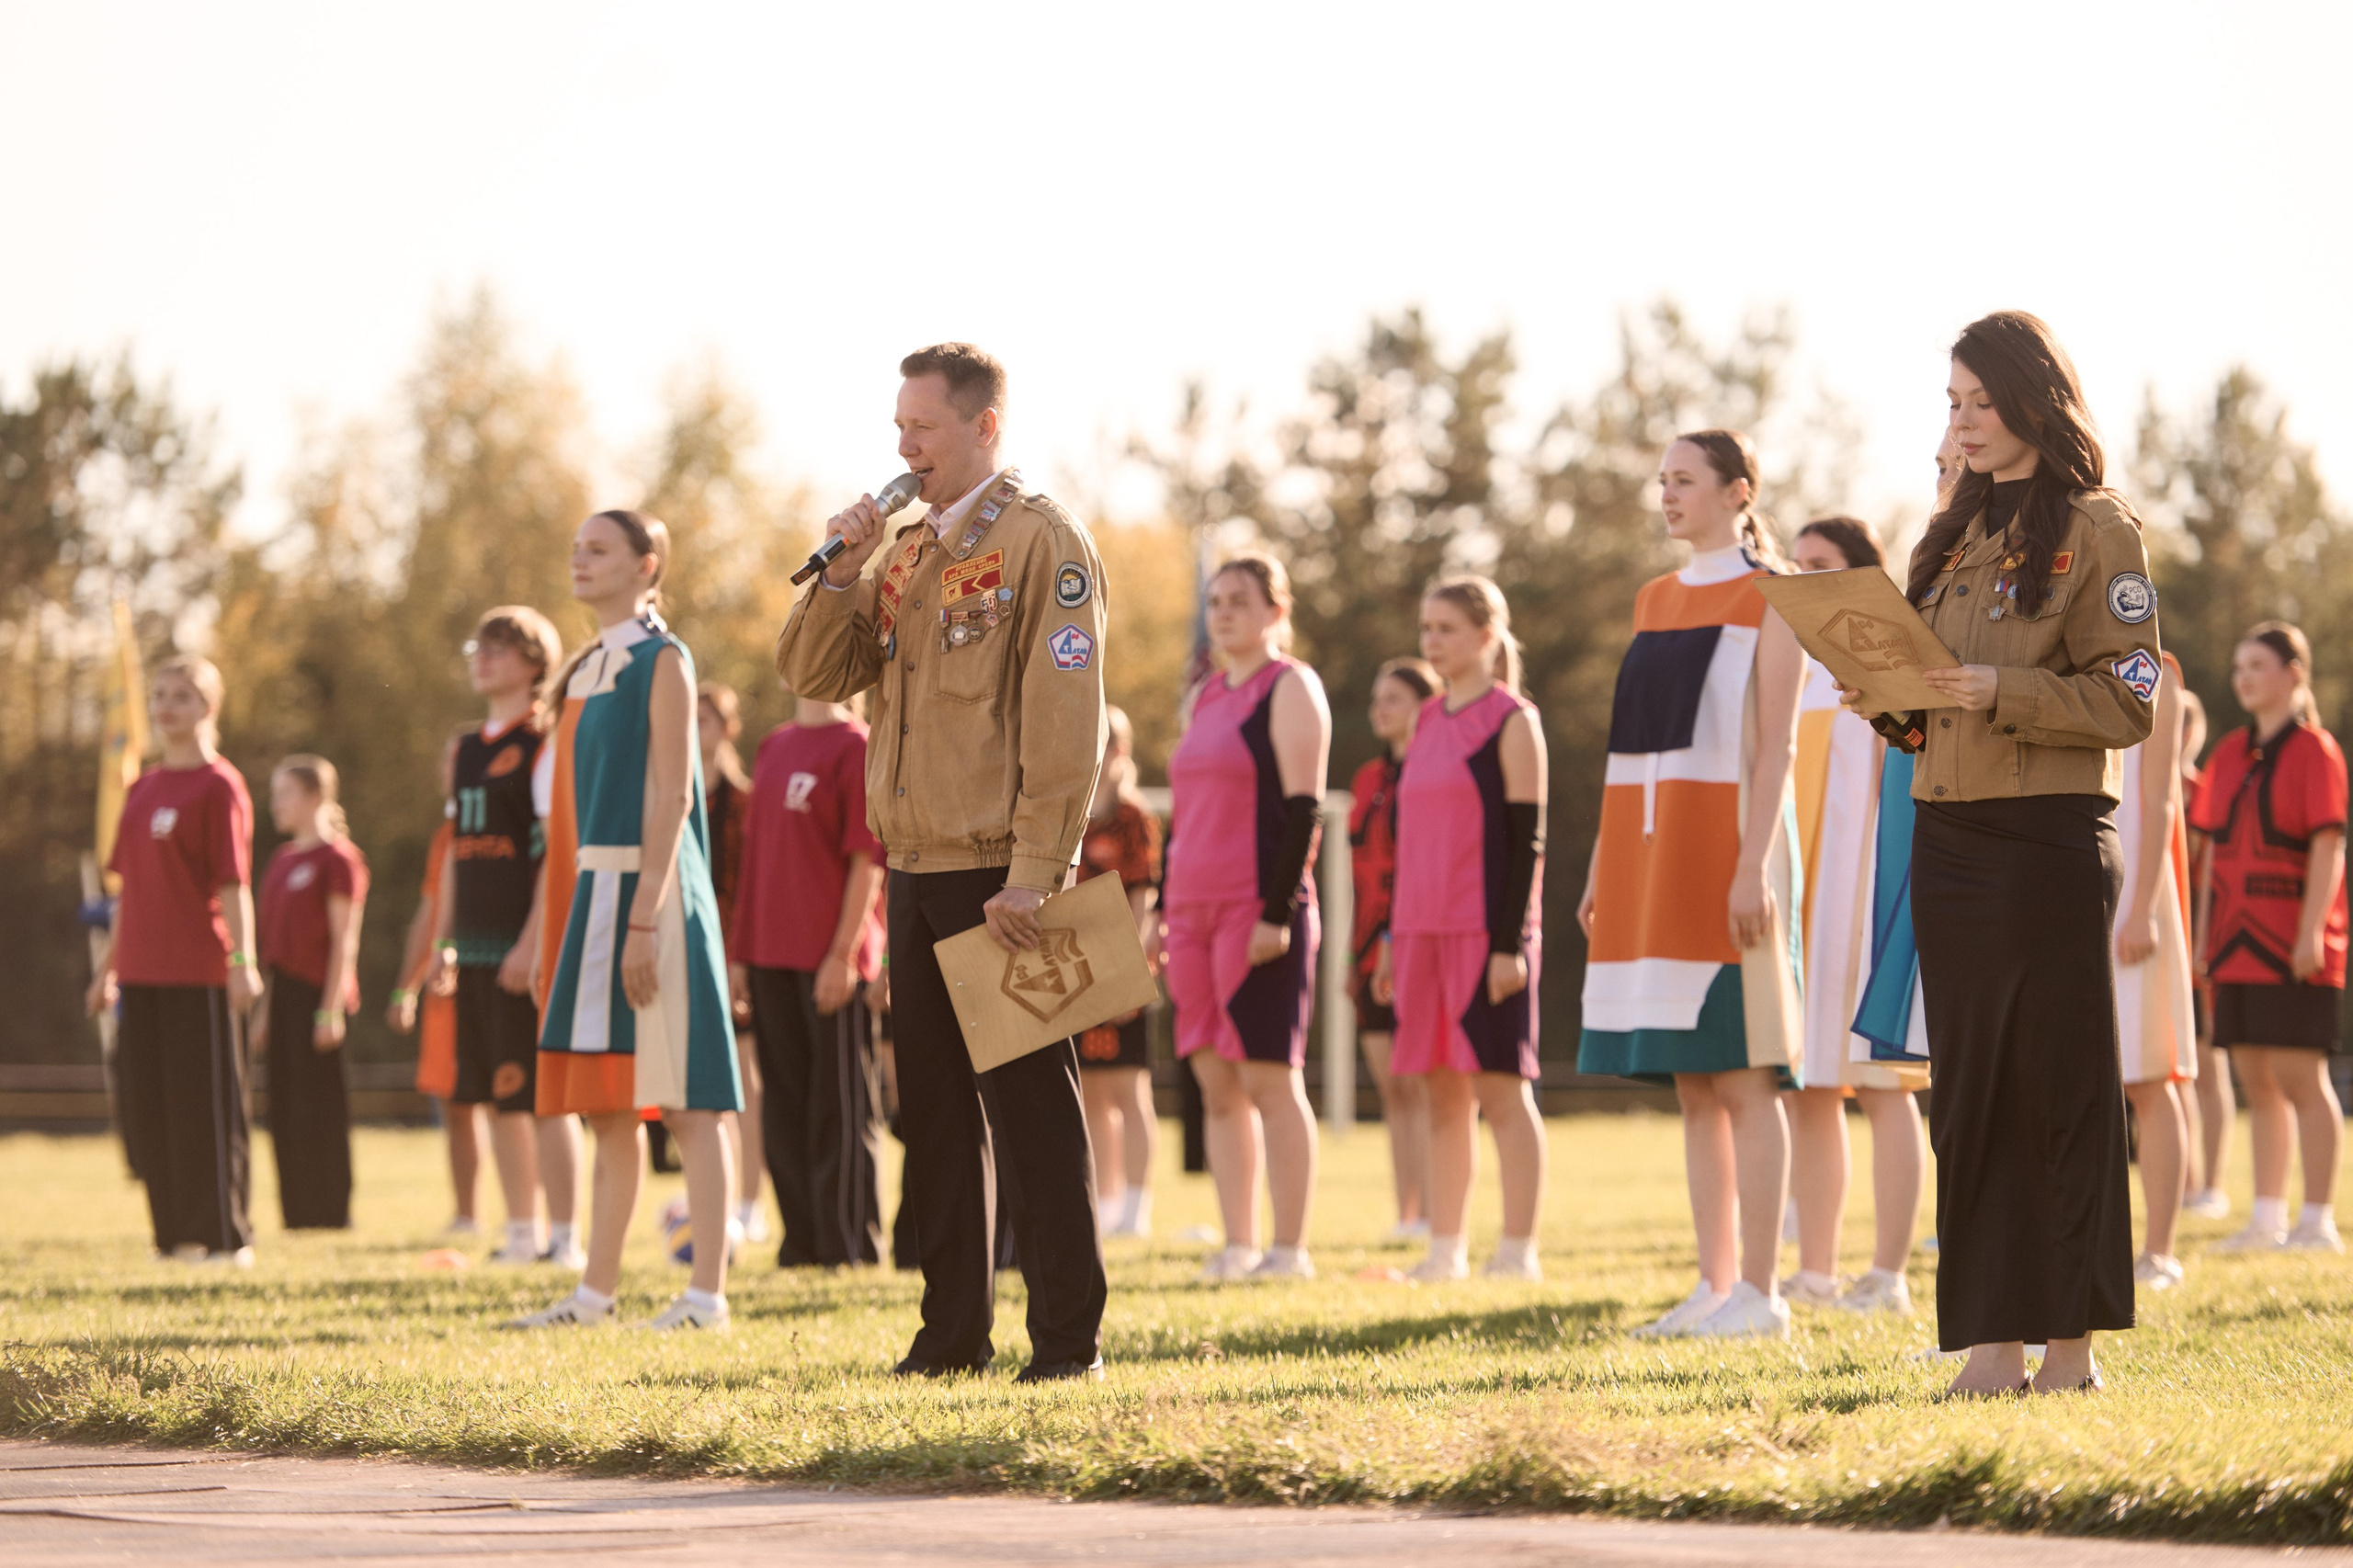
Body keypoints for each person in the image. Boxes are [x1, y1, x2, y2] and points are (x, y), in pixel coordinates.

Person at [774, 342, 1109, 1381]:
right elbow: (815, 669)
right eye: (899, 426)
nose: (904, 443)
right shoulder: (908, 552)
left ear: (983, 426)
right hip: (915, 866)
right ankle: (952, 1334)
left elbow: (1068, 726)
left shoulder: (1041, 543)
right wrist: (841, 568)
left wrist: (1037, 870)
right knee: (932, 1118)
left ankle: (1067, 1344)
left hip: (1001, 873)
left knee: (1031, 1116)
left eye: (923, 425)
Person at [1865, 310, 2158, 1395]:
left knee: (2060, 1093)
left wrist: (2002, 690)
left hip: (2046, 842)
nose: (1964, 421)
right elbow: (1923, 701)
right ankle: (1990, 1346)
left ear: (2035, 398)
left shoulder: (2101, 529)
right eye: (1952, 402)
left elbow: (2130, 695)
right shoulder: (1947, 533)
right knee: (1971, 1094)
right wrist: (1886, 698)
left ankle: (2069, 1353)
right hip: (1947, 839)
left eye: (1981, 401)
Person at [1577, 429, 1805, 1340]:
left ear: (1737, 491)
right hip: (1649, 851)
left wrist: (1752, 865)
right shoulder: (1653, 598)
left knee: (1746, 1075)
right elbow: (1628, 745)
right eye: (1662, 479)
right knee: (1693, 1082)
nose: (1666, 494)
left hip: (1731, 849)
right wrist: (1603, 863)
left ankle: (1762, 1291)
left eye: (1684, 480)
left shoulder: (1777, 598)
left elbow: (1778, 743)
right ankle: (1714, 1287)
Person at [513, 510, 745, 1330]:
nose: (580, 559)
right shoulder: (582, 670)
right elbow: (568, 821)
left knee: (687, 1105)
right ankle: (593, 1296)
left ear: (648, 566)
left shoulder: (664, 661)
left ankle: (705, 1297)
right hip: (591, 901)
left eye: (599, 549)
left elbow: (673, 796)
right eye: (575, 547)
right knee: (607, 1106)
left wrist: (645, 919)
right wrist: (553, 932)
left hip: (654, 900)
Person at [1163, 554, 1331, 1283]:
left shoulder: (1290, 687)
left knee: (1269, 1079)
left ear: (1275, 611)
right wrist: (1162, 916)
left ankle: (1288, 1250)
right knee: (1215, 1088)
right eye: (1215, 601)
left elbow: (1304, 810)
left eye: (1239, 600)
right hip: (1190, 911)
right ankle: (1238, 1244)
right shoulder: (1204, 697)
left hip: (1257, 913)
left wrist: (1276, 912)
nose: (1223, 612)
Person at [1375, 577, 1548, 1282]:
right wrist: (1392, 940)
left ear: (1485, 635)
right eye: (1426, 629)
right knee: (1441, 1095)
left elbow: (1527, 840)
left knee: (1503, 1093)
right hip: (1421, 935)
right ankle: (1444, 1250)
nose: (1432, 642)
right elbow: (1408, 843)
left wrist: (1509, 946)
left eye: (1446, 628)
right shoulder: (1427, 722)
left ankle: (1516, 1252)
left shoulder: (1513, 720)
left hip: (1486, 936)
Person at [1780, 517, 1928, 1315]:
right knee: (1810, 1086)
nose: (1803, 579)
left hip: (1866, 892)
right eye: (1796, 566)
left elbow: (1897, 786)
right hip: (1806, 900)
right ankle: (1815, 1272)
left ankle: (1888, 1275)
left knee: (1881, 1084)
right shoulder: (1790, 669)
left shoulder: (1880, 654)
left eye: (1822, 566)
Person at [85, 654, 258, 1266]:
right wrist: (107, 971)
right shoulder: (142, 786)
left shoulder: (220, 785)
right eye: (160, 694)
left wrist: (244, 961)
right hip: (139, 972)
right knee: (151, 1110)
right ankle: (171, 1240)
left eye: (182, 695)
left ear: (209, 707)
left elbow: (235, 884)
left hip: (199, 972)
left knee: (204, 1108)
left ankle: (222, 1238)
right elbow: (128, 890)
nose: (165, 706)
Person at [424, 608, 584, 1267]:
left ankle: (566, 1238)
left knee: (541, 1096)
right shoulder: (465, 748)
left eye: (499, 648)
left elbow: (554, 852)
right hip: (476, 948)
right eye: (478, 646)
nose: (482, 658)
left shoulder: (544, 741)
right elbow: (458, 855)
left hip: (528, 949)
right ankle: (521, 1231)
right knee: (496, 1097)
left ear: (533, 664)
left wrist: (532, 943)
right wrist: (444, 945)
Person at [2193, 622, 2346, 1254]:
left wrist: (2312, 931)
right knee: (2255, 1080)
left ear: (2294, 673)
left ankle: (2317, 1220)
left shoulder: (2316, 750)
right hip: (2232, 944)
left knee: (2302, 1079)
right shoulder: (2229, 752)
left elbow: (2329, 844)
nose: (2245, 677)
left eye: (2258, 665)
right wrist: (2203, 940)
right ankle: (2266, 1217)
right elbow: (2208, 852)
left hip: (2293, 941)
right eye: (2239, 668)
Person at [729, 683, 888, 1267]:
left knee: (841, 1112)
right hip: (769, 955)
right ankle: (800, 1246)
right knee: (783, 1110)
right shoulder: (772, 747)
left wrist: (843, 955)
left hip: (831, 961)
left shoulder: (859, 746)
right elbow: (755, 862)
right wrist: (741, 954)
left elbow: (867, 862)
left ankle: (848, 1248)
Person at [2113, 651, 2198, 1288]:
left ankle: (2159, 1252)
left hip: (2136, 891)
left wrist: (2141, 908)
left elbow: (2161, 796)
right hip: (2073, 883)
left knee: (2148, 1076)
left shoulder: (2152, 669)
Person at [254, 755, 366, 1230]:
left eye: (286, 793)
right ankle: (296, 1213)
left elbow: (346, 939)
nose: (276, 804)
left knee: (319, 1106)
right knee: (283, 1105)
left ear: (315, 797)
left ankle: (331, 1212)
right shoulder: (282, 860)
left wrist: (330, 1009)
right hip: (281, 997)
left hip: (319, 995)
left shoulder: (338, 858)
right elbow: (271, 946)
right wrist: (262, 1010)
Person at [1349, 657, 1438, 1242]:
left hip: (1414, 943)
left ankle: (1436, 1214)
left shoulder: (1435, 773)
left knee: (1425, 1087)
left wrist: (1391, 945)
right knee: (1393, 1090)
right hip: (1366, 948)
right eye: (1377, 697)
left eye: (1395, 699)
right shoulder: (1367, 780)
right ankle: (1406, 1213)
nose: (1381, 708)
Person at [1074, 706, 1164, 1239]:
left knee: (1129, 1091)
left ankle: (1136, 1205)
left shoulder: (1133, 817)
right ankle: (1104, 1201)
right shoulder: (1072, 814)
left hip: (1121, 967)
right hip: (1076, 971)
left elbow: (1142, 898)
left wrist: (1126, 972)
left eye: (1105, 744)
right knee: (1090, 1092)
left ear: (1120, 752)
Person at [390, 727, 483, 1234]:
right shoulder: (445, 835)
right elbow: (428, 916)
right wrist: (407, 985)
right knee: (457, 1102)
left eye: (457, 761)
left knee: (519, 1104)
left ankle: (536, 1223)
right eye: (448, 762)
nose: (449, 771)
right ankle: (468, 1214)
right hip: (447, 985)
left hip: (493, 975)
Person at [698, 680, 770, 1247]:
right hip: (684, 949)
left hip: (732, 951)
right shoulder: (666, 793)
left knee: (745, 1078)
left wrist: (739, 957)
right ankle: (709, 1201)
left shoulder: (745, 802)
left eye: (705, 718)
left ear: (726, 728)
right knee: (699, 1082)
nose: (693, 728)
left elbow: (752, 887)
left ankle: (750, 1203)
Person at [2177, 687, 2236, 1220]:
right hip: (2152, 945)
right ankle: (2185, 1182)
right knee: (2170, 1073)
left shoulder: (2207, 795)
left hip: (2202, 947)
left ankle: (2211, 1187)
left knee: (2209, 1068)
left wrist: (2204, 948)